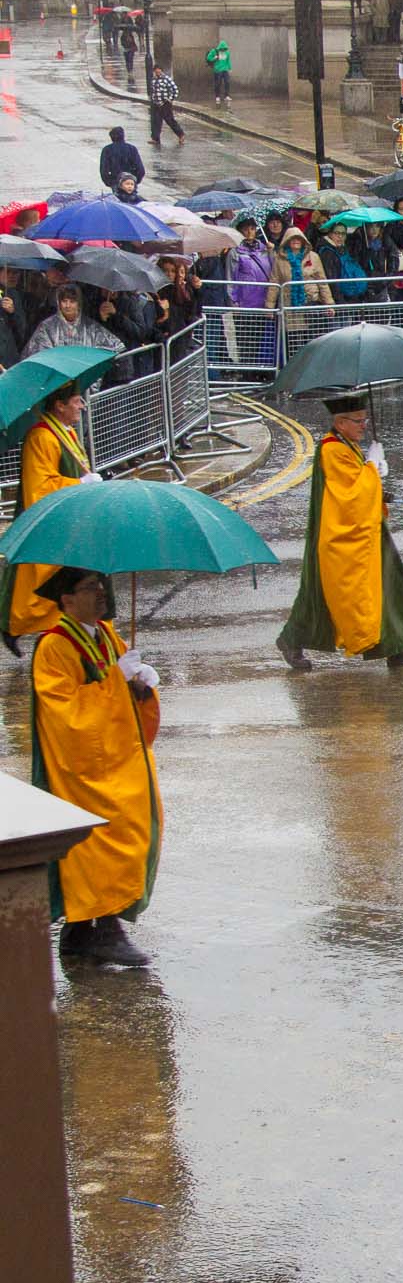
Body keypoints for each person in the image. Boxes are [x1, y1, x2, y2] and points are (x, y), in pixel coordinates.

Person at [31, 568, 163, 968]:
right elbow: (65, 712)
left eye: (101, 586)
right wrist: (112, 681)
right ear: (67, 599)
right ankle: (106, 929)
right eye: (91, 588)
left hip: (116, 754)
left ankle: (78, 935)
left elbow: (121, 692)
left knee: (124, 831)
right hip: (80, 765)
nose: (102, 594)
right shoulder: (54, 646)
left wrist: (139, 685)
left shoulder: (106, 634)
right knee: (104, 841)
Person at [275, 393, 403, 670]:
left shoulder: (347, 443)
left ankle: (400, 645)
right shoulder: (332, 448)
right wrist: (373, 469)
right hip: (342, 537)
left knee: (390, 587)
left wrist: (377, 482)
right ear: (341, 422)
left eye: (365, 419)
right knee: (320, 593)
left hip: (366, 530)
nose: (364, 426)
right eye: (358, 421)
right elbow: (350, 495)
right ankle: (291, 639)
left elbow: (359, 487)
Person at [2, 382, 102, 655]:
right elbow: (40, 486)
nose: (82, 406)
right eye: (76, 401)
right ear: (59, 405)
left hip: (68, 520)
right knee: (46, 585)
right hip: (47, 522)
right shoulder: (42, 437)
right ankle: (17, 627)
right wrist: (79, 483)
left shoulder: (64, 433)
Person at [149, 63, 187, 147]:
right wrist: (153, 99)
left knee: (170, 121)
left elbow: (175, 89)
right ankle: (155, 139)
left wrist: (170, 99)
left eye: (159, 70)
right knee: (156, 122)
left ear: (161, 70)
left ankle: (181, 135)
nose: (157, 71)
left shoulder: (167, 79)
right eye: (156, 70)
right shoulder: (153, 79)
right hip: (156, 104)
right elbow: (153, 90)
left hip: (165, 104)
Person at [98, 126, 144, 191]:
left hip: (115, 181)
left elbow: (104, 170)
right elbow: (140, 169)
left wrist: (109, 183)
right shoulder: (132, 149)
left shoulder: (107, 150)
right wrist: (134, 181)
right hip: (130, 180)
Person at [206, 38, 233, 103]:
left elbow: (228, 61)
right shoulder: (214, 51)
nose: (223, 50)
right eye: (222, 48)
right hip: (217, 70)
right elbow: (208, 58)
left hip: (225, 70)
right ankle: (217, 96)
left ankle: (226, 96)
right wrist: (214, 58)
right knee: (218, 84)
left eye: (224, 48)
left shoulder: (227, 52)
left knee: (227, 82)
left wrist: (230, 68)